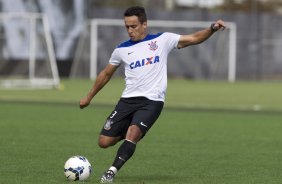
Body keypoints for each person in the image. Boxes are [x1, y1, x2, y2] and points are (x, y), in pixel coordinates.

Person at [79, 6, 226, 183]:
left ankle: (111, 172)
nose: (130, 30)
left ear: (144, 24)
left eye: (133, 26)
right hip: (127, 101)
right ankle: (132, 134)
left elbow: (194, 38)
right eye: (127, 26)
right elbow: (105, 74)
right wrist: (89, 97)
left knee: (133, 133)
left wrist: (212, 28)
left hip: (152, 101)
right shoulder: (121, 50)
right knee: (104, 142)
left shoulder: (162, 40)